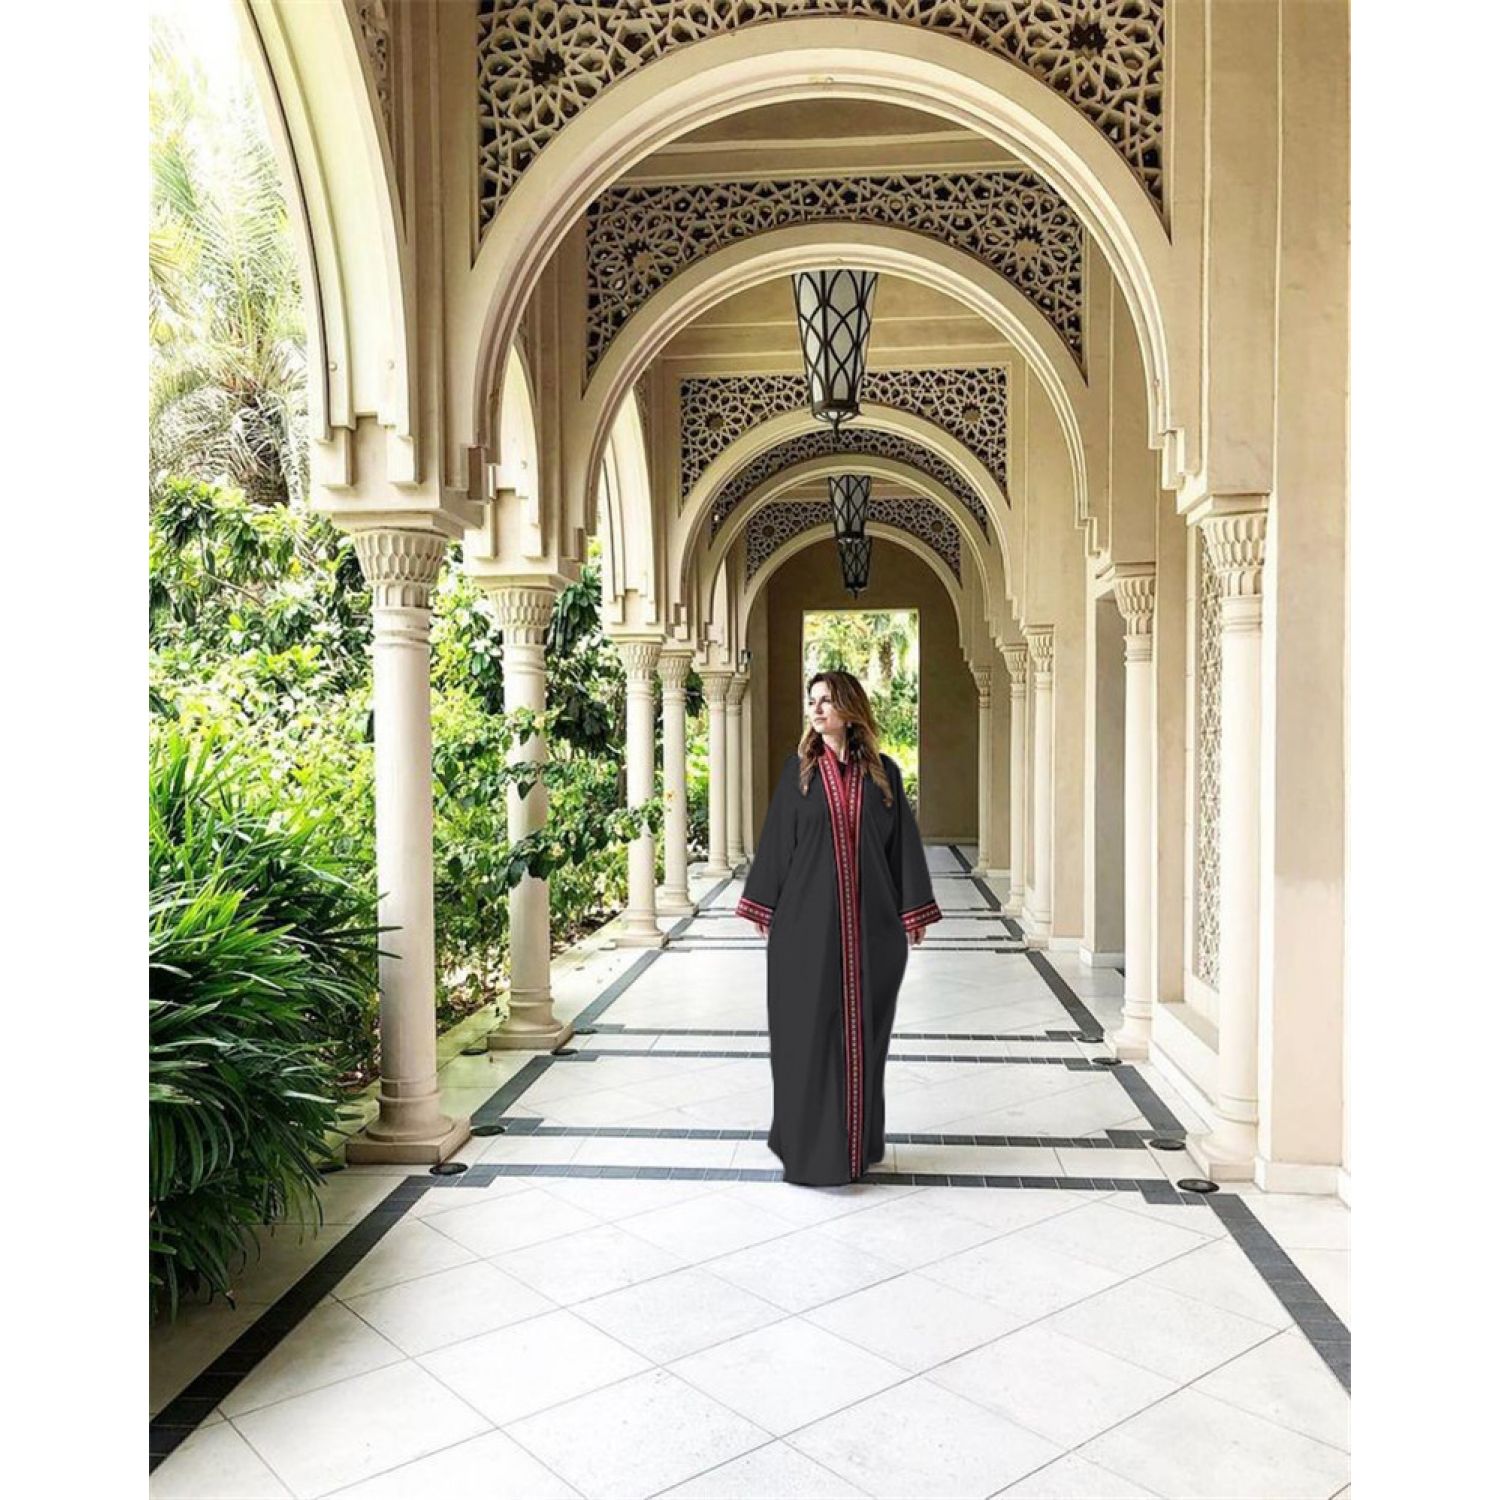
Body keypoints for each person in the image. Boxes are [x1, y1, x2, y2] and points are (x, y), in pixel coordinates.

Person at [736, 669, 942, 1186]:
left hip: (872, 932)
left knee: (863, 1039)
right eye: (813, 700)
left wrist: (912, 911)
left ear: (850, 709)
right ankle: (806, 1149)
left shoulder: (884, 776)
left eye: (827, 700)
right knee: (806, 1038)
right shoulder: (799, 774)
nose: (817, 709)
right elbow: (777, 842)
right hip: (805, 931)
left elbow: (901, 847)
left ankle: (856, 1144)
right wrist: (764, 906)